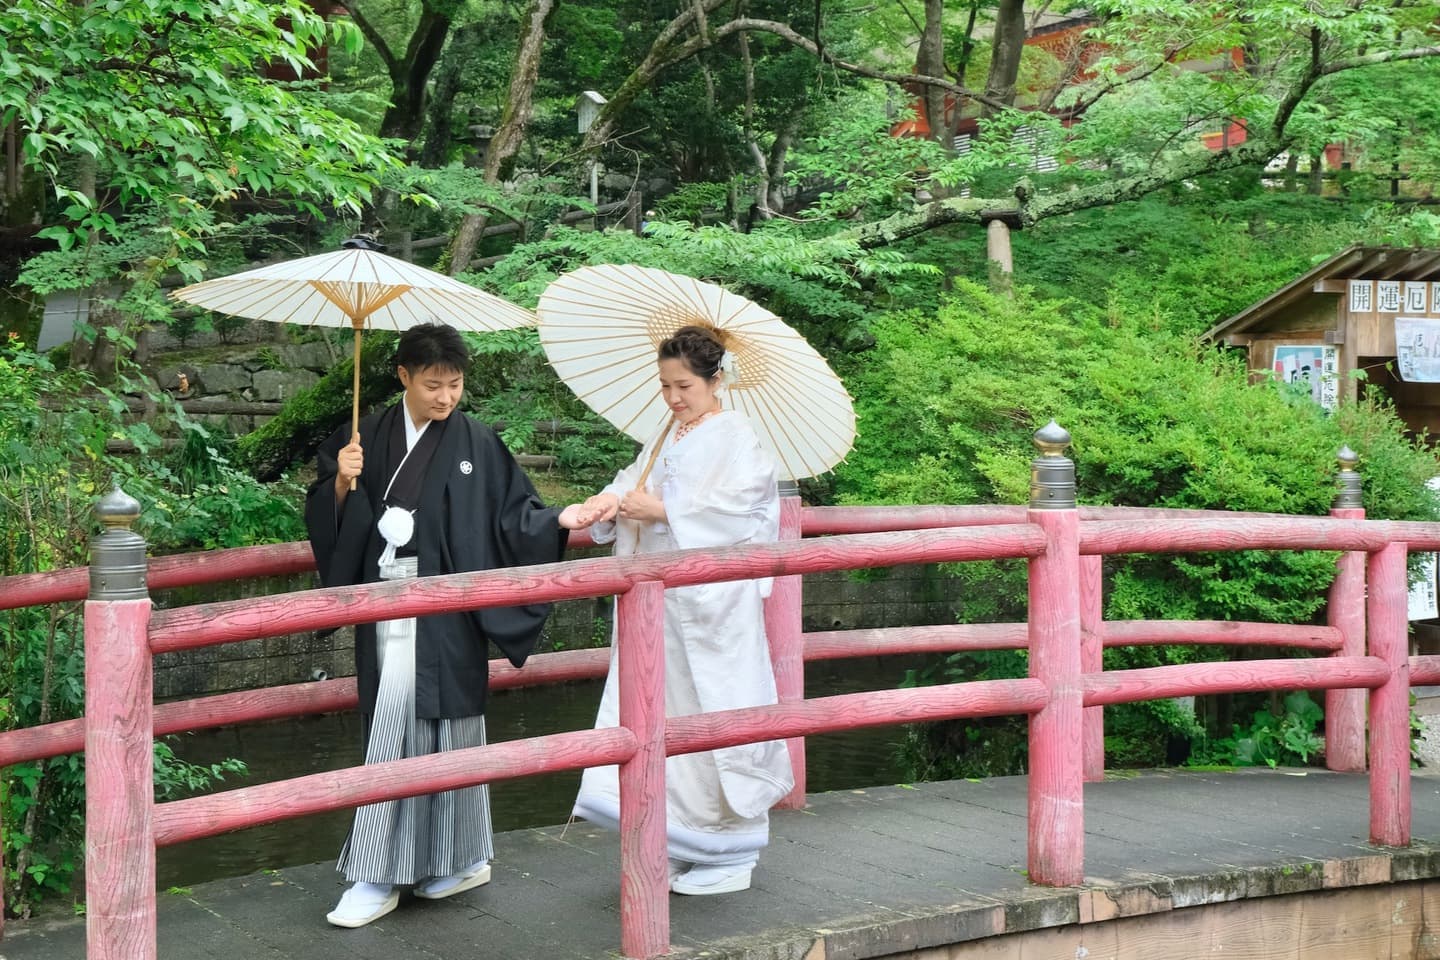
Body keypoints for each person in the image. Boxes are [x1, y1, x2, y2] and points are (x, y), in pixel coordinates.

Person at [305, 322, 588, 928]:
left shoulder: (477, 442)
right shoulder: (364, 436)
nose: (445, 397)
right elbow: (332, 526)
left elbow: (516, 515)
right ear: (403, 376)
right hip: (389, 606)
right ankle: (376, 873)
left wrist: (559, 518)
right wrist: (341, 482)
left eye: (455, 385)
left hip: (453, 608)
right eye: (432, 384)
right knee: (392, 725)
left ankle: (455, 861)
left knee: (453, 729)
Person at [570, 324, 793, 896]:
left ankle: (730, 849)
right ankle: (673, 838)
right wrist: (609, 502)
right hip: (659, 605)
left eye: (684, 386)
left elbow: (745, 516)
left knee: (713, 713)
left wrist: (666, 511)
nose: (673, 397)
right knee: (656, 715)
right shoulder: (666, 432)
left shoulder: (736, 436)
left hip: (712, 608)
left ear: (715, 380)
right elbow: (630, 485)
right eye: (666, 385)